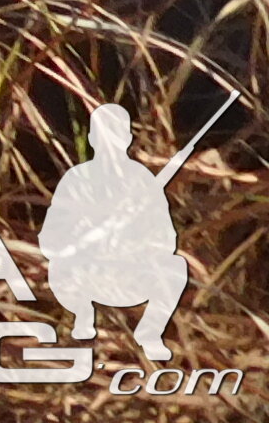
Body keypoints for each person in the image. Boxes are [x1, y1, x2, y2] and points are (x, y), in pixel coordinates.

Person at [39, 104, 193, 361]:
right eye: (103, 134)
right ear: (92, 138)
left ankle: (150, 333)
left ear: (127, 138)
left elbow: (167, 239)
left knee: (175, 267)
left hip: (130, 273)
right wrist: (85, 231)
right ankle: (83, 320)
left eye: (116, 133)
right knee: (57, 267)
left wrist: (133, 237)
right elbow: (49, 241)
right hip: (84, 274)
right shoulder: (77, 179)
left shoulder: (142, 181)